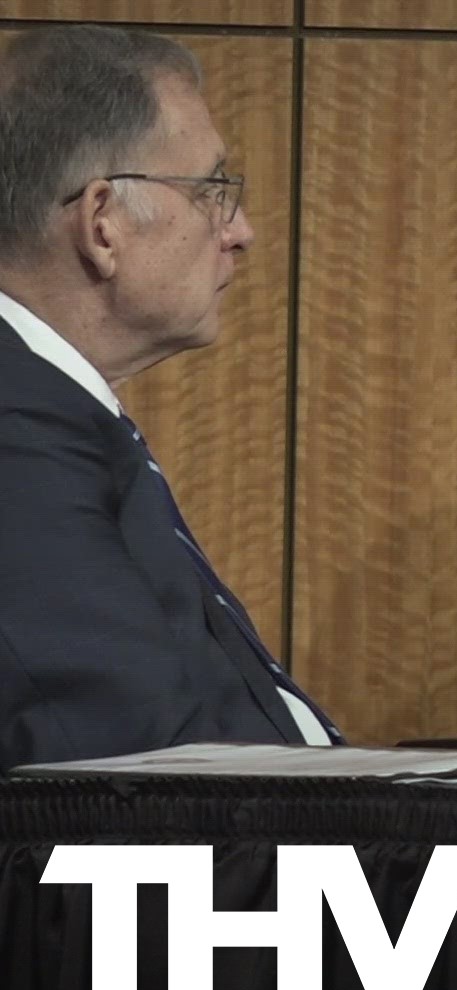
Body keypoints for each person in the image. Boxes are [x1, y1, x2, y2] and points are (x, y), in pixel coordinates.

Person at [0, 25, 339, 767]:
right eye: (213, 192)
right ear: (102, 225)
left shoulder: (54, 412)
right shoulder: (15, 436)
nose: (241, 232)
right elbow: (136, 772)